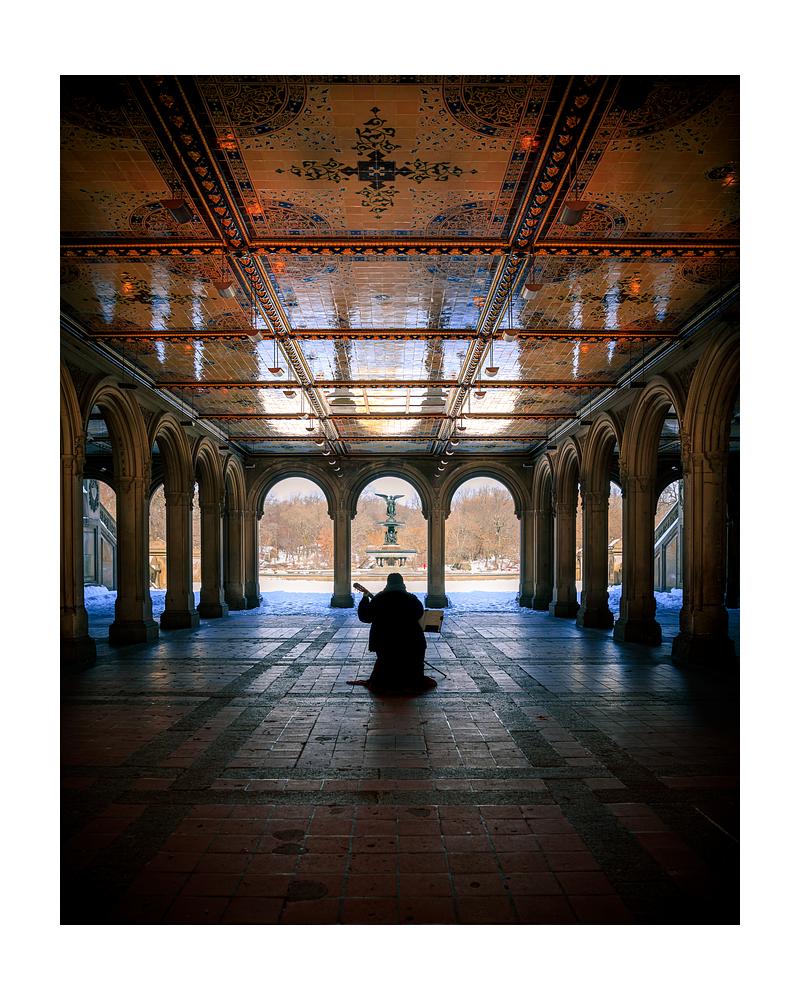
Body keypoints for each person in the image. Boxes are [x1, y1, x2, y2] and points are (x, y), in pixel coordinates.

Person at [350, 573, 436, 694]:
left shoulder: (379, 598)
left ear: (388, 583)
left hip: (384, 641)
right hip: (410, 640)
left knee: (386, 662)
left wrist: (365, 599)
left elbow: (365, 617)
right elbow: (419, 614)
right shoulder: (411, 598)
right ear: (402, 583)